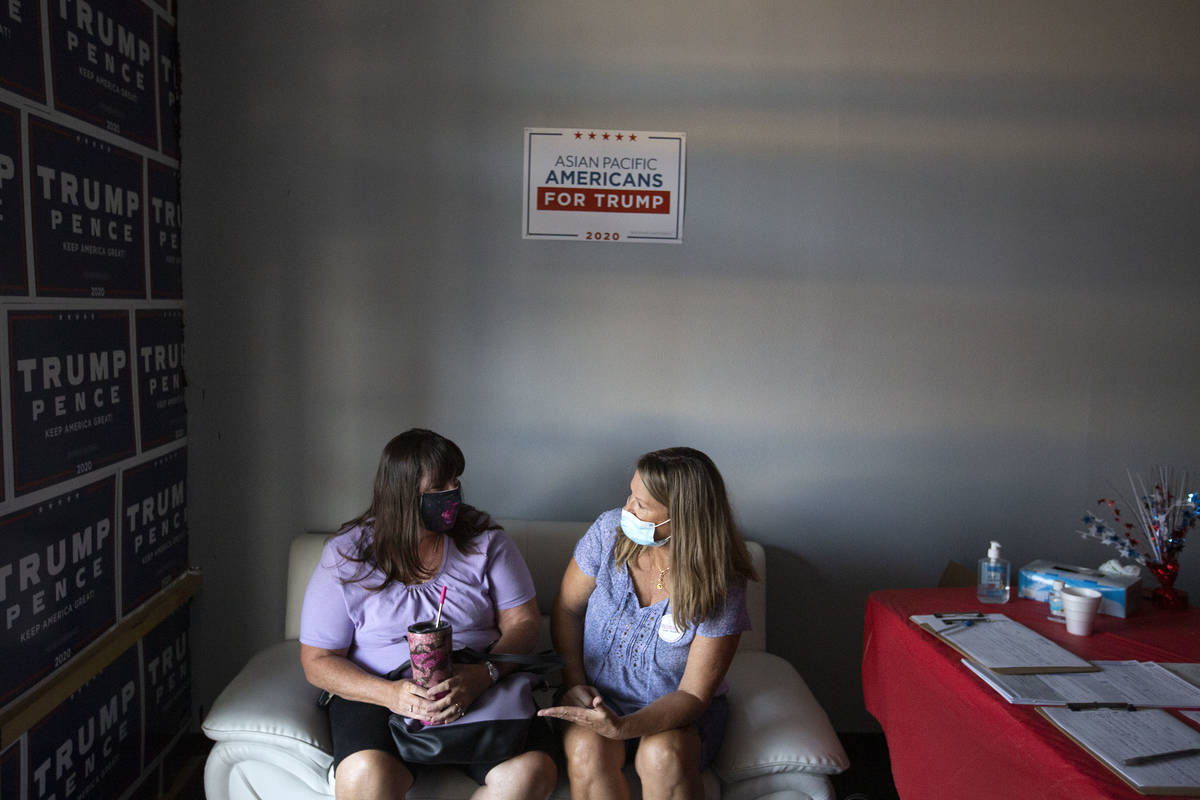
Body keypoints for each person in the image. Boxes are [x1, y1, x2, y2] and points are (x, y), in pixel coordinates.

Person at [299, 429, 557, 800]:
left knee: (532, 771)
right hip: (379, 691)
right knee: (364, 774)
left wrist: (483, 674)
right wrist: (390, 694)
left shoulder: (483, 540)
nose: (453, 492)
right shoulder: (347, 555)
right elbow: (317, 661)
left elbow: (524, 623)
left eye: (455, 481)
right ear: (402, 494)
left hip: (473, 678)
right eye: (439, 487)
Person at [539, 447, 757, 800]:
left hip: (676, 713)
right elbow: (567, 609)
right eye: (630, 495)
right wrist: (575, 683)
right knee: (585, 747)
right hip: (599, 701)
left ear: (683, 519)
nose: (626, 510)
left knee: (662, 755)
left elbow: (693, 694)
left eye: (641, 505)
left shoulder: (721, 582)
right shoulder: (608, 532)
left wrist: (624, 727)